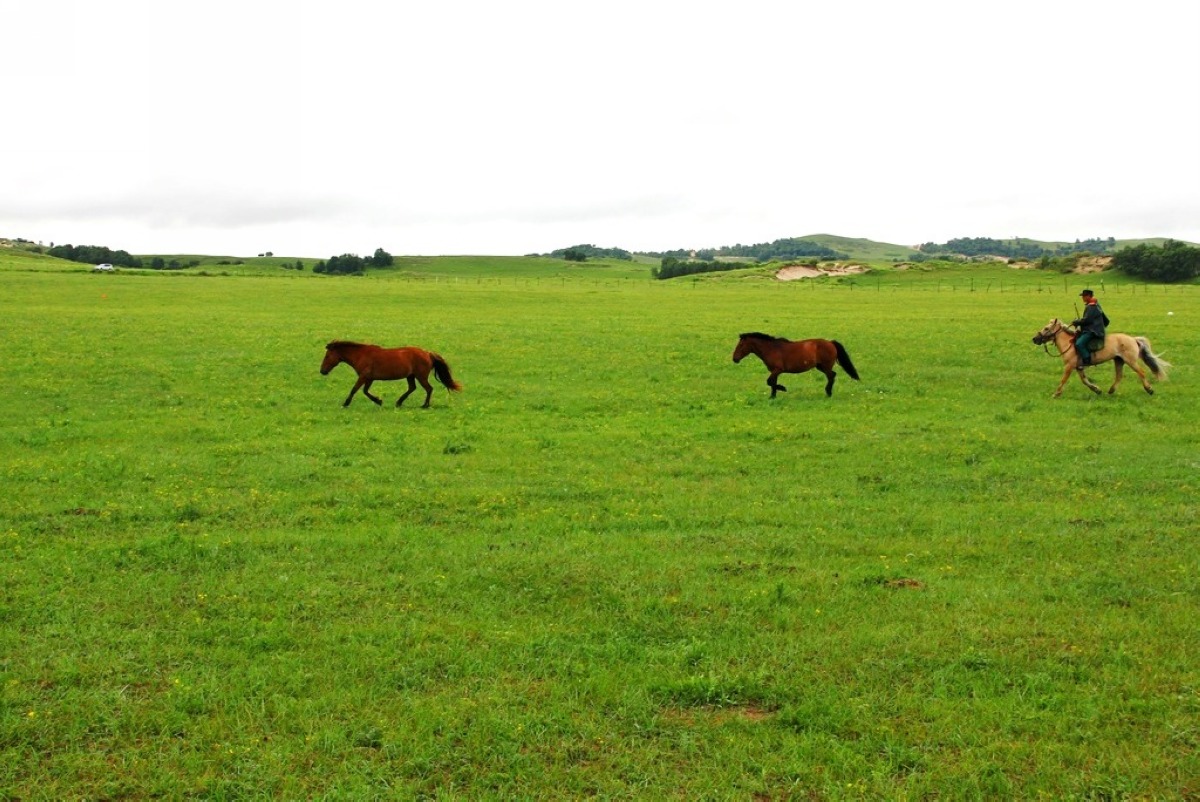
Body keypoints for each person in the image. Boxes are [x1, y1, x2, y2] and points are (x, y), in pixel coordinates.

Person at [1072, 289, 1108, 369]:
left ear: (1088, 296)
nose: (1083, 298)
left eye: (1084, 296)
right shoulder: (1095, 304)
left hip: (1093, 330)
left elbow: (1088, 320)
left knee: (1079, 343)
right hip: (1094, 328)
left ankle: (1086, 360)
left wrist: (1077, 322)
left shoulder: (1091, 306)